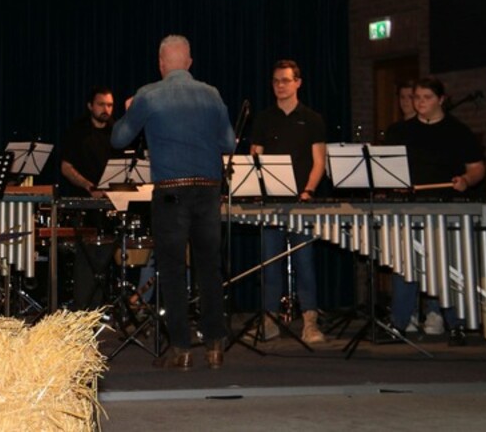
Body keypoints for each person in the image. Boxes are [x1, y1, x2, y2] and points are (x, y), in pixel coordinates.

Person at [111, 35, 235, 370]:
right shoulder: (212, 94)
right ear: (189, 63)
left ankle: (181, 348)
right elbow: (228, 143)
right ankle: (215, 346)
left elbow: (119, 138)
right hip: (208, 192)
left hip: (170, 193)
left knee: (172, 269)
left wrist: (130, 111)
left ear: (161, 64)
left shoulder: (148, 95)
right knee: (210, 268)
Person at [386, 77, 486, 345]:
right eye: (416, 97)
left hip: (446, 207)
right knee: (405, 266)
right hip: (409, 207)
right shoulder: (400, 132)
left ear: (441, 99)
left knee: (449, 268)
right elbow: (388, 169)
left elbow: (477, 169)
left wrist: (466, 180)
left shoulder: (458, 131)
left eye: (427, 97)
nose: (420, 102)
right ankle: (398, 323)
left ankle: (457, 325)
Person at [251, 59, 328, 344]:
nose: (280, 86)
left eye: (285, 80)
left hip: (301, 202)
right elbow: (255, 158)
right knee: (269, 263)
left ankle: (310, 322)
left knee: (304, 262)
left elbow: (319, 162)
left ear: (298, 83)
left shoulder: (312, 119)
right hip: (271, 203)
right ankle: (269, 321)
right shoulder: (263, 118)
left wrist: (308, 191)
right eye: (275, 81)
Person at [60, 86, 123, 309]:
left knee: (108, 255)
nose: (106, 109)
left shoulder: (117, 132)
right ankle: (84, 307)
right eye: (101, 104)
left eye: (110, 105)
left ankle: (104, 305)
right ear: (90, 106)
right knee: (87, 258)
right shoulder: (77, 131)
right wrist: (89, 186)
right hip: (85, 203)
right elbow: (66, 167)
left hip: (111, 203)